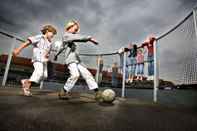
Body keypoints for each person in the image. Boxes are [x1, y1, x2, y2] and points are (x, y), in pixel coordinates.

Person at [54, 20, 102, 100]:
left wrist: (56, 55)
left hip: (78, 60)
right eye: (75, 29)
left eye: (76, 30)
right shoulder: (66, 36)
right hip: (70, 59)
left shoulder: (73, 37)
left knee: (87, 74)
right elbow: (62, 46)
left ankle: (97, 92)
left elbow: (62, 47)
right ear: (69, 27)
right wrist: (90, 39)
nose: (75, 32)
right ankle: (63, 91)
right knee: (75, 75)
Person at [13, 25, 57, 96]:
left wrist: (47, 55)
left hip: (44, 60)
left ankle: (26, 82)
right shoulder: (39, 37)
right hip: (37, 59)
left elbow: (47, 52)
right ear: (47, 31)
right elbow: (28, 42)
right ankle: (27, 87)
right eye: (52, 33)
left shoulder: (50, 43)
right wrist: (18, 49)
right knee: (38, 73)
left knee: (44, 76)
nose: (53, 35)